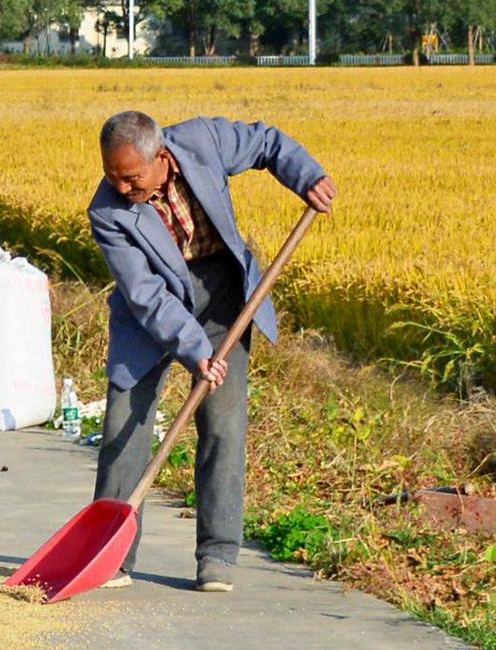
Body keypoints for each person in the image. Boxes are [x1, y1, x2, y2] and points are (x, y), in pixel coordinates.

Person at [88, 109, 334, 593]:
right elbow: (146, 296)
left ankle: (217, 554)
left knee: (222, 422)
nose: (121, 188)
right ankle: (111, 555)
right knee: (124, 424)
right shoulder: (107, 212)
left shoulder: (203, 141)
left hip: (222, 293)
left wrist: (307, 176)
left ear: (160, 157)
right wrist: (195, 350)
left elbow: (266, 141)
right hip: (152, 311)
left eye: (131, 178)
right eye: (112, 177)